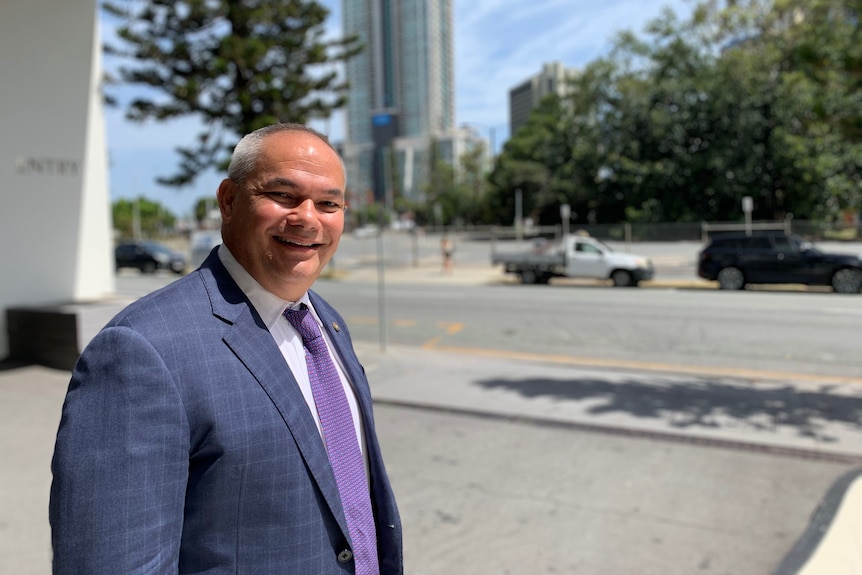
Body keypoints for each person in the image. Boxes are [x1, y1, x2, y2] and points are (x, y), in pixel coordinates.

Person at [49, 124, 403, 574]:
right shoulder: (140, 352)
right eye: (284, 195)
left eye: (329, 203)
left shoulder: (327, 322)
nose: (308, 218)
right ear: (229, 201)